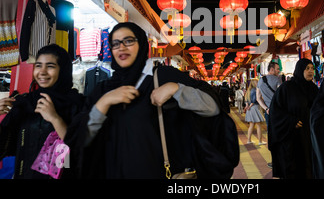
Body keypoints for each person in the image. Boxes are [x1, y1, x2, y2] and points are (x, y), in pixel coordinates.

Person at [64, 22, 237, 179]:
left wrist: (176, 89)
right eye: (115, 43)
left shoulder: (162, 76)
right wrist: (104, 103)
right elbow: (81, 141)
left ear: (141, 44)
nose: (121, 47)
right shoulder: (103, 90)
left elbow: (212, 108)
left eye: (128, 41)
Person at [0, 44, 84, 179]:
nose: (42, 72)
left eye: (50, 66)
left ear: (63, 70)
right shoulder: (25, 104)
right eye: (38, 65)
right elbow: (4, 149)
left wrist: (55, 119)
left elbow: (80, 152)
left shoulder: (76, 105)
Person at [268, 58, 318, 179]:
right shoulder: (287, 88)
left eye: (312, 69)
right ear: (300, 70)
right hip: (291, 139)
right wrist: (291, 121)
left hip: (310, 138)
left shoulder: (314, 89)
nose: (310, 71)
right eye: (307, 68)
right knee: (293, 170)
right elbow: (275, 112)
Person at [256, 61, 282, 125]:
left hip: (268, 112)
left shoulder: (260, 81)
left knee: (270, 132)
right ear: (272, 69)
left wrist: (266, 108)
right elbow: (281, 95)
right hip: (279, 110)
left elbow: (258, 98)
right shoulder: (277, 79)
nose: (279, 71)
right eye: (278, 69)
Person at [244, 79, 266, 145]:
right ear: (255, 83)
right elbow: (254, 100)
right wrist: (250, 106)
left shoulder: (248, 90)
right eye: (257, 82)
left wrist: (247, 106)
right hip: (255, 108)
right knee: (259, 125)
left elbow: (247, 100)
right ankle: (260, 141)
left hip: (250, 109)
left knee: (251, 125)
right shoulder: (255, 90)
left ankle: (249, 140)